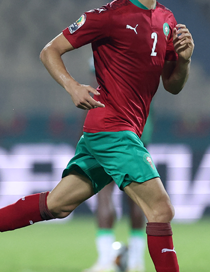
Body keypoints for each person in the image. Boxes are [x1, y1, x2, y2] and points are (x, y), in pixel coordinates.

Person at [0, 0, 194, 272]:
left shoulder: (167, 19)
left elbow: (172, 86)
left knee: (57, 205)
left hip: (121, 130)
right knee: (161, 211)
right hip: (112, 128)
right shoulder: (109, 16)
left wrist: (183, 61)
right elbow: (50, 50)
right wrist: (72, 86)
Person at [83, 58, 152, 272]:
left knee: (105, 194)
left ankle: (106, 260)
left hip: (108, 135)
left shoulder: (101, 88)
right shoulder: (138, 76)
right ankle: (136, 262)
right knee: (138, 199)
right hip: (137, 137)